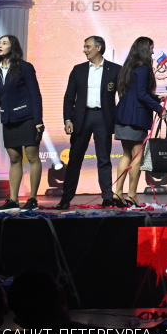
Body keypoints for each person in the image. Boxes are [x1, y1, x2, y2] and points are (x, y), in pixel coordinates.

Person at [59, 35, 121, 209]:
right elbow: (69, 97)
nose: (84, 50)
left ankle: (107, 197)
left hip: (103, 118)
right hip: (81, 118)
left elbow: (123, 96)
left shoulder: (115, 69)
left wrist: (117, 117)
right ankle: (66, 198)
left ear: (98, 48)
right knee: (74, 160)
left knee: (104, 159)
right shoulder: (78, 69)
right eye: (85, 47)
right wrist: (67, 119)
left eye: (87, 46)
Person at [0, 35, 44, 211]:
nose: (0, 45)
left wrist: (38, 120)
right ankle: (13, 200)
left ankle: (32, 199)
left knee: (32, 157)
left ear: (13, 47)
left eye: (4, 43)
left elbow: (35, 94)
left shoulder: (24, 67)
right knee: (14, 159)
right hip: (8, 119)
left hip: (27, 117)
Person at [113, 37, 165, 207]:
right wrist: (159, 108)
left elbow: (135, 92)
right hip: (136, 117)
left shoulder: (129, 67)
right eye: (151, 48)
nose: (152, 52)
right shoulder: (144, 68)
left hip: (123, 114)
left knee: (126, 154)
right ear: (144, 49)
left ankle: (118, 193)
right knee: (137, 156)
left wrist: (155, 98)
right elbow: (141, 95)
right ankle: (132, 195)